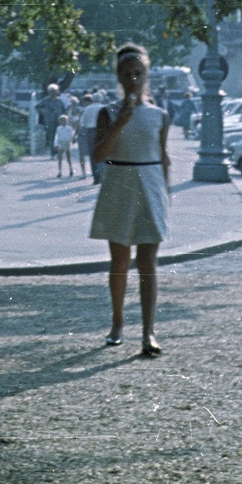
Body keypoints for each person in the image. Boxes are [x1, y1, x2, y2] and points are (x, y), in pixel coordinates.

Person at [90, 43, 170, 357]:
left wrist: (166, 196)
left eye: (138, 73)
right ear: (119, 77)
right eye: (127, 74)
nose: (133, 79)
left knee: (148, 263)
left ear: (146, 75)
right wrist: (118, 124)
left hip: (150, 185)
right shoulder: (106, 112)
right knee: (120, 261)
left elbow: (163, 157)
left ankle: (149, 331)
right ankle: (117, 323)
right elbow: (98, 155)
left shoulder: (159, 114)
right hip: (119, 184)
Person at [79, 92, 106, 184]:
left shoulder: (87, 109)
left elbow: (83, 123)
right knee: (102, 152)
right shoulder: (104, 108)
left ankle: (96, 177)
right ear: (101, 99)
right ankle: (102, 174)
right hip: (102, 130)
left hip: (90, 131)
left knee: (92, 154)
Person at [35, 84, 65, 158]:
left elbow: (64, 111)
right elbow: (37, 107)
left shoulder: (59, 101)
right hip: (49, 121)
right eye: (51, 91)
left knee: (60, 137)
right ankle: (52, 153)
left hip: (59, 121)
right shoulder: (46, 100)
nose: (53, 93)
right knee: (51, 137)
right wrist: (43, 112)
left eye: (55, 91)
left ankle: (58, 153)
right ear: (49, 92)